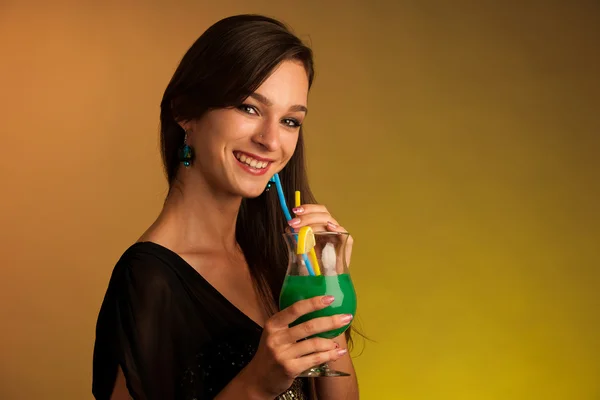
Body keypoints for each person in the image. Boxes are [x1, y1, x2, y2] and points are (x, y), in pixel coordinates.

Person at [92, 14, 359, 400]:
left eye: (289, 120)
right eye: (249, 108)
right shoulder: (148, 281)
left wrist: (327, 285)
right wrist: (256, 384)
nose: (271, 140)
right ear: (186, 112)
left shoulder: (280, 260)